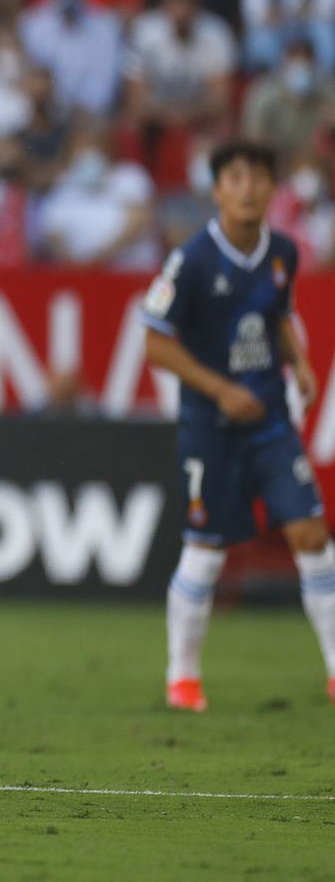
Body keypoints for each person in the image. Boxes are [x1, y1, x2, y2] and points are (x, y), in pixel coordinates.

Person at [142, 140, 335, 711]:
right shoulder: (193, 260)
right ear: (217, 190)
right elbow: (155, 344)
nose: (248, 187)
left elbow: (278, 314)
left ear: (272, 189)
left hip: (271, 422)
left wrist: (298, 361)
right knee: (206, 551)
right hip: (212, 428)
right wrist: (221, 388)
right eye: (236, 177)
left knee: (312, 536)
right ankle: (183, 677)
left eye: (258, 177)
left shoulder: (283, 253)